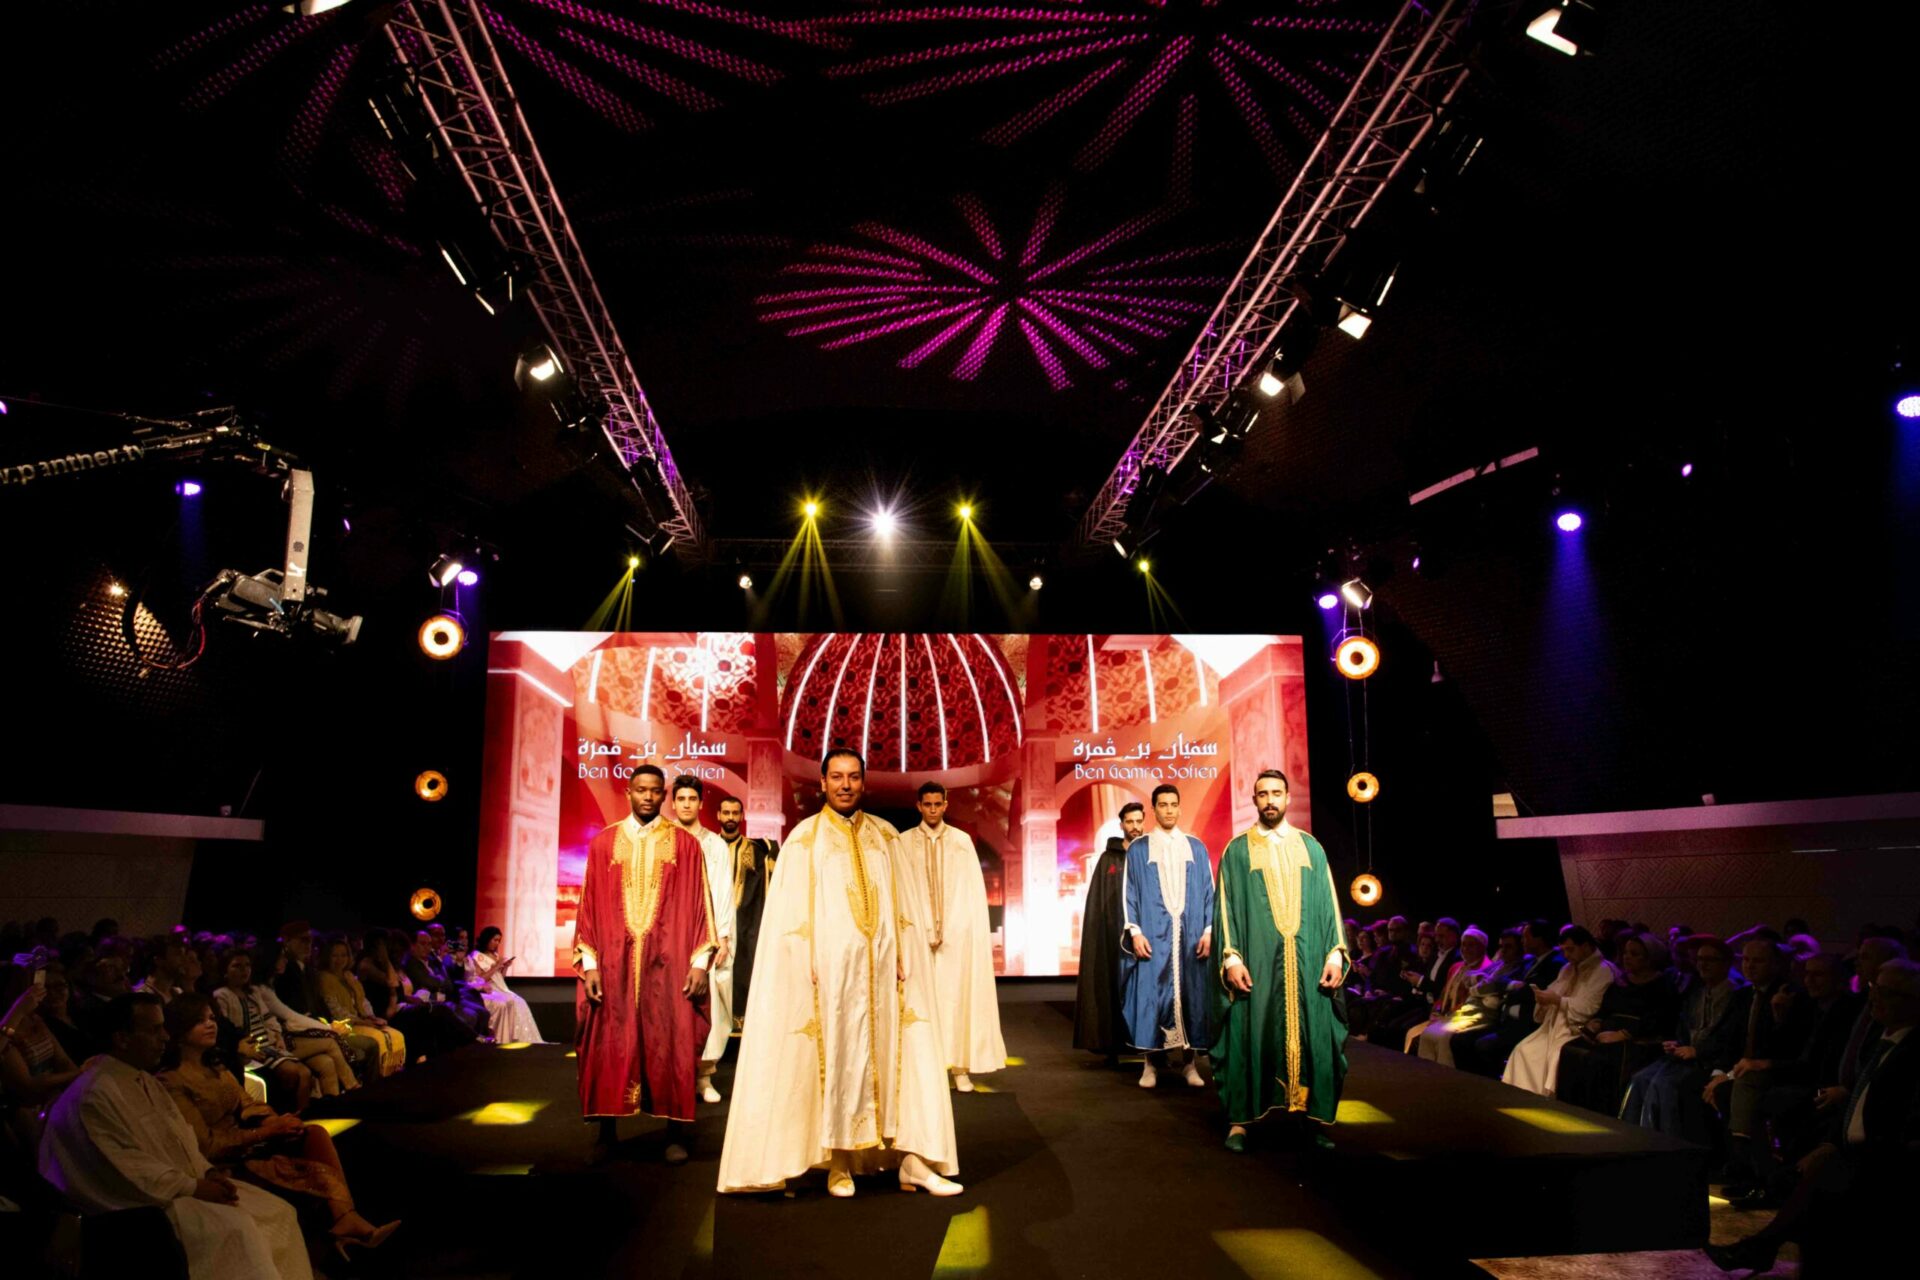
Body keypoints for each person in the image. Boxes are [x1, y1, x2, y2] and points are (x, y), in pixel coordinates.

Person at [718, 748, 960, 1198]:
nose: (845, 785)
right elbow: (787, 920)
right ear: (823, 783)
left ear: (863, 782)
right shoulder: (805, 840)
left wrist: (904, 953)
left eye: (853, 777)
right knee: (842, 1061)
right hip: (829, 981)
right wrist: (804, 962)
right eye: (836, 777)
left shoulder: (886, 836)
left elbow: (905, 904)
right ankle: (839, 1161)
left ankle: (911, 1160)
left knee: (903, 1058)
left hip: (886, 978)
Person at [39, 992, 313, 1279]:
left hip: (183, 1184)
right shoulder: (93, 1095)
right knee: (236, 1228)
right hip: (143, 1206)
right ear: (122, 1038)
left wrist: (207, 1172)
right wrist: (192, 1186)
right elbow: (125, 1166)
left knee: (279, 1212)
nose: (165, 1037)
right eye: (154, 1030)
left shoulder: (143, 1079)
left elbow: (181, 1136)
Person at [1706, 958, 1920, 1275]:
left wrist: (1843, 1150)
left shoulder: (1912, 1052)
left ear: (1912, 1001)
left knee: (1818, 1181)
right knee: (1807, 1175)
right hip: (1850, 1145)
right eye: (1874, 988)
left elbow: (1900, 1123)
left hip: (1884, 1158)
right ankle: (1763, 1239)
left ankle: (1762, 1245)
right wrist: (1832, 1144)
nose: (1874, 997)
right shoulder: (1882, 1041)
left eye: (1886, 992)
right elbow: (1858, 1102)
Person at [157, 995, 399, 1260]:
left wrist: (275, 1121)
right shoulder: (171, 1081)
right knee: (306, 1144)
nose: (210, 1024)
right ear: (180, 1029)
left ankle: (346, 1217)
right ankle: (335, 1232)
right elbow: (206, 1145)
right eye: (199, 1021)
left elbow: (248, 1104)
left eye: (212, 1018)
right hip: (222, 1160)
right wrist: (267, 1131)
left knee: (312, 1132)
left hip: (250, 1140)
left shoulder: (216, 1067)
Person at [575, 764, 718, 1166]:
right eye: (641, 790)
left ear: (664, 795)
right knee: (609, 1040)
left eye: (656, 791)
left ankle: (675, 1132)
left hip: (669, 964)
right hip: (613, 963)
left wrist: (700, 963)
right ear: (629, 792)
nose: (648, 797)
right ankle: (607, 1131)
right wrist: (591, 964)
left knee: (671, 1040)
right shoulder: (603, 843)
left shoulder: (685, 845)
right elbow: (588, 908)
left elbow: (700, 905)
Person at [1212, 769, 1349, 1152]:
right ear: (1254, 800)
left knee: (1314, 1036)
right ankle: (1240, 1122)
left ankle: (1315, 1117)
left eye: (1276, 793)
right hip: (1257, 964)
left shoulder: (1311, 847)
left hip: (1309, 964)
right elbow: (1225, 909)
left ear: (1288, 797)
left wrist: (1335, 954)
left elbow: (1329, 905)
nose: (1270, 800)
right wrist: (1231, 958)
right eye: (1263, 794)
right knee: (1249, 1032)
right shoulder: (1237, 850)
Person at [900, 780, 1006, 1092]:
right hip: (916, 940)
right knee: (920, 1004)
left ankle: (960, 1068)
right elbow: (901, 891)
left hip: (956, 939)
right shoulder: (904, 842)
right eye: (927, 804)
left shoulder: (961, 841)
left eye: (938, 804)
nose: (933, 810)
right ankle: (924, 1073)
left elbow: (972, 893)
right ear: (919, 806)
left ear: (945, 805)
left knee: (957, 1001)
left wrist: (960, 930)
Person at [1120, 783, 1215, 1088]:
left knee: (1191, 997)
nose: (1169, 810)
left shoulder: (1196, 847)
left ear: (1180, 807)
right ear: (1154, 809)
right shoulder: (1139, 849)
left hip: (1191, 936)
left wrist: (1209, 930)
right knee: (1151, 997)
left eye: (1174, 804)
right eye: (1163, 805)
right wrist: (1135, 931)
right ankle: (1150, 1065)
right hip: (1154, 934)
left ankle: (1189, 1064)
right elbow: (1129, 893)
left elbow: (1209, 892)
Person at [1707, 938, 1811, 1201]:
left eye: (1758, 960)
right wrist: (1720, 1074)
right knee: (1715, 1088)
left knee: (1742, 1086)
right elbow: (1731, 1042)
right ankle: (1735, 1164)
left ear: (1775, 964)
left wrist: (1778, 1015)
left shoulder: (1789, 994)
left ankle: (1748, 1169)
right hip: (1743, 1068)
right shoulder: (1743, 995)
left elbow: (1785, 1047)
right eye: (1746, 960)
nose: (1750, 966)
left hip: (1776, 1071)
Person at [1623, 935, 1748, 1143]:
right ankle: (1636, 1138)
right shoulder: (1697, 992)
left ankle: (1670, 1143)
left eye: (1710, 959)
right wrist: (1678, 1044)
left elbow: (1730, 1037)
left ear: (1726, 963)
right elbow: (1684, 1025)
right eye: (1699, 959)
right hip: (1686, 1054)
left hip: (1710, 1060)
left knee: (1665, 1085)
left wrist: (1697, 1051)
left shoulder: (1737, 996)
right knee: (1640, 1079)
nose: (1703, 964)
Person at [1553, 932, 1679, 1116]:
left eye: (1635, 954)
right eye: (1626, 953)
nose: (1627, 957)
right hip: (1608, 1031)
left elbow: (1660, 1020)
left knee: (1599, 1059)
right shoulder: (1621, 983)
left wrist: (1623, 1034)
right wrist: (1596, 1022)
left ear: (1650, 957)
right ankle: (1571, 1109)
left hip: (1638, 1039)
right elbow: (1606, 1009)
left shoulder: (1662, 986)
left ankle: (1601, 1114)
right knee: (1570, 1049)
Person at [671, 775, 735, 1104]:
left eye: (691, 799)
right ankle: (670, 1077)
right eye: (681, 798)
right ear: (673, 803)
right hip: (669, 935)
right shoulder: (663, 840)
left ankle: (704, 1077)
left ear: (700, 803)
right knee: (669, 1004)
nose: (686, 804)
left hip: (705, 935)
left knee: (711, 1003)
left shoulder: (715, 845)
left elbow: (723, 891)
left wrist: (722, 936)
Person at [1502, 926, 1617, 1097]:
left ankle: (1549, 1100)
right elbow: (1554, 990)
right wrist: (1543, 998)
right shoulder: (1567, 968)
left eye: (1570, 949)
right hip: (1554, 1026)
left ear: (1586, 946)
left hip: (1576, 1029)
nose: (1566, 955)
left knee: (1556, 1057)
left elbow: (1590, 1007)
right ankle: (1525, 1099)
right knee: (1523, 1050)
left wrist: (1557, 1000)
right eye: (1563, 950)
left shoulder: (1603, 971)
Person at [211, 951, 333, 1109]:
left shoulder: (253, 992)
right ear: (225, 970)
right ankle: (289, 1110)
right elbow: (227, 1028)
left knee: (305, 1072)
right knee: (295, 1071)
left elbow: (268, 1018)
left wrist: (277, 1035)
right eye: (237, 966)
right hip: (251, 1047)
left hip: (268, 1043)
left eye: (247, 965)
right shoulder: (222, 995)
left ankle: (302, 1113)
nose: (244, 970)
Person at [1074, 802, 1147, 1060]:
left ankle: (1148, 1047)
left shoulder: (1149, 855)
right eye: (1130, 822)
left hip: (1145, 936)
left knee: (1144, 991)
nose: (1135, 827)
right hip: (1113, 936)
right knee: (1113, 987)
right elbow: (1099, 901)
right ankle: (1113, 1045)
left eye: (1139, 821)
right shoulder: (1109, 859)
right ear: (1122, 825)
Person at [716, 794, 779, 1026]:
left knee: (745, 977)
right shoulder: (709, 847)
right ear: (718, 815)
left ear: (742, 816)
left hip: (747, 929)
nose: (730, 817)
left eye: (735, 813)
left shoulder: (758, 850)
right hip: (714, 928)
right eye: (726, 813)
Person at [2, 967, 83, 1144]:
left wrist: (79, 1084)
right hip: (30, 1110)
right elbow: (28, 1085)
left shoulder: (35, 1019)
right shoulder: (6, 1034)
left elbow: (62, 1060)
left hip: (57, 1096)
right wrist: (80, 1073)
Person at [313, 937, 407, 1075]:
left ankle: (392, 1073)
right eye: (335, 955)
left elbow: (363, 1000)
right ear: (327, 956)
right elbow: (336, 1011)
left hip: (362, 1019)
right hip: (345, 1025)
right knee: (379, 1038)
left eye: (343, 955)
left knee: (396, 1035)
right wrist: (362, 1022)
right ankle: (380, 1077)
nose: (340, 959)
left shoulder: (348, 975)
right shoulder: (323, 978)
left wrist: (372, 1017)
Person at [1406, 926, 1497, 1059]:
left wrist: (1448, 1016)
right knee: (1415, 1033)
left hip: (1464, 1017)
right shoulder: (1456, 967)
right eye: (1463, 944)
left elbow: (1473, 1002)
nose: (1465, 949)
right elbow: (1443, 995)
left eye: (1471, 945)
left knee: (1439, 1038)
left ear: (1482, 948)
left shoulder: (1488, 971)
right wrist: (1437, 1011)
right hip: (1444, 1015)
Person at [465, 926, 549, 1045]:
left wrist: (505, 967)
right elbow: (480, 979)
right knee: (512, 1001)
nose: (497, 943)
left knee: (520, 1001)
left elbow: (500, 978)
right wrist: (496, 966)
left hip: (500, 987)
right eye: (495, 940)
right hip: (489, 989)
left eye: (499, 941)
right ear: (487, 939)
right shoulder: (477, 956)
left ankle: (518, 1037)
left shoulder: (495, 955)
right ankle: (504, 1037)